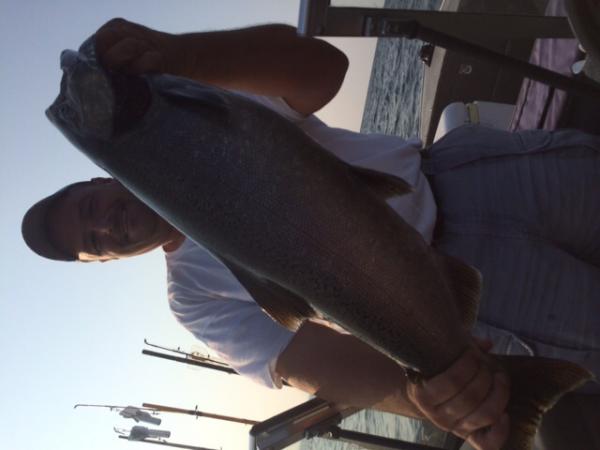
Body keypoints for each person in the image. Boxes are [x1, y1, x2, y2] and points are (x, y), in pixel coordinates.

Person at [22, 18, 600, 450]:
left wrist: (181, 54)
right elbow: (313, 363)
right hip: (474, 305)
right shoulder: (193, 298)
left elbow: (324, 69)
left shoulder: (195, 102)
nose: (105, 225)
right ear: (106, 262)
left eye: (91, 206)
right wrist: (444, 396)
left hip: (470, 173)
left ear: (104, 177)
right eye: (94, 241)